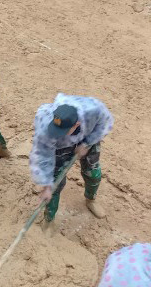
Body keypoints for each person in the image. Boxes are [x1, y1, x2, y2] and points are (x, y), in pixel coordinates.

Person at [30, 94, 114, 224]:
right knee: (55, 184)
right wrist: (47, 185)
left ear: (76, 125)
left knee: (93, 174)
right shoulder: (45, 125)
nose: (57, 134)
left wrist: (86, 143)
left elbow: (104, 124)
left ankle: (91, 200)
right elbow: (42, 155)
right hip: (61, 147)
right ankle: (49, 219)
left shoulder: (93, 110)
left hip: (87, 138)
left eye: (61, 131)